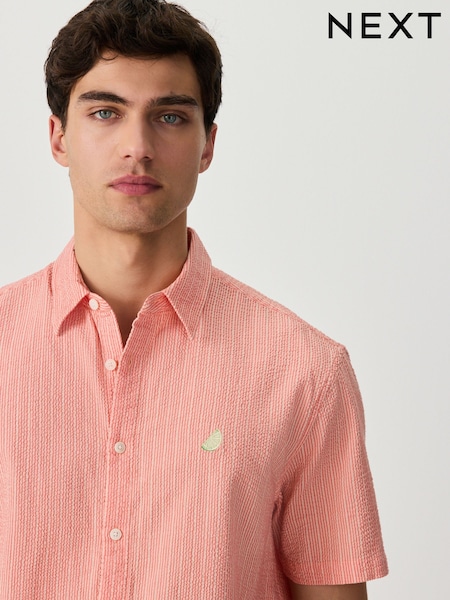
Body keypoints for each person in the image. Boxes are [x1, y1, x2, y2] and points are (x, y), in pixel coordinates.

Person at [0, 0, 388, 598]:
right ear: (58, 138)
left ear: (208, 145)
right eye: (105, 112)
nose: (137, 146)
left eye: (170, 116)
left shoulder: (306, 372)